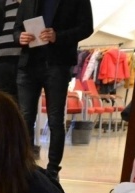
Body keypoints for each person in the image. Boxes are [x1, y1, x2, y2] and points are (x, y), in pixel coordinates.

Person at [14, 0, 94, 180]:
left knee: (56, 120)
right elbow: (17, 29)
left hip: (58, 64)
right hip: (28, 64)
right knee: (24, 118)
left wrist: (58, 36)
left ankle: (52, 171)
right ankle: (26, 167)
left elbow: (86, 28)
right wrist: (20, 37)